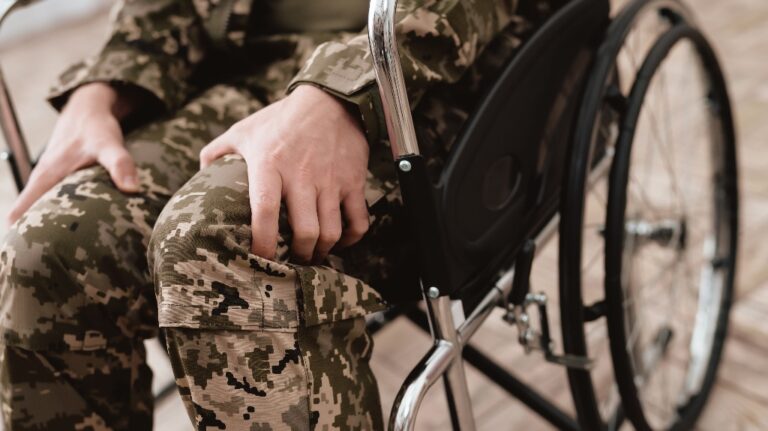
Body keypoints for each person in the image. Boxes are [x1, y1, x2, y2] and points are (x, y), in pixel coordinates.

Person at [0, 0, 563, 429]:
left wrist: (344, 91)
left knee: (223, 239)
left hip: (442, 82)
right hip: (252, 66)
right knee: (51, 250)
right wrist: (103, 86)